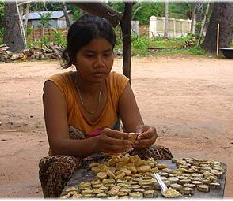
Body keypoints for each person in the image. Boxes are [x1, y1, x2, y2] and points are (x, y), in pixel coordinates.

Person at [39, 14, 173, 198]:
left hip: (114, 159)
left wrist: (146, 135)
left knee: (157, 153)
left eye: (106, 54)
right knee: (60, 166)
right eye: (90, 55)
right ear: (73, 57)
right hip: (75, 159)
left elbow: (136, 129)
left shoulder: (119, 83)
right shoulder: (56, 87)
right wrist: (96, 144)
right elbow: (58, 144)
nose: (100, 64)